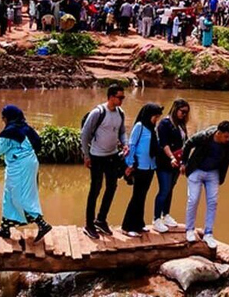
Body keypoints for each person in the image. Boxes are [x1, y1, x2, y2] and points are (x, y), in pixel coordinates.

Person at [0, 106, 52, 243]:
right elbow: (38, 144)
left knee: (21, 197)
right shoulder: (25, 128)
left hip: (21, 166)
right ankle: (5, 228)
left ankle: (42, 224)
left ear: (8, 117)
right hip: (23, 164)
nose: (2, 120)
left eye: (3, 117)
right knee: (9, 196)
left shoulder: (11, 133)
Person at [181, 121, 229, 249]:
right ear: (218, 133)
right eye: (226, 136)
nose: (228, 139)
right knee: (193, 199)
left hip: (213, 173)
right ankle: (189, 229)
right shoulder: (204, 136)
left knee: (213, 202)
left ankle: (208, 233)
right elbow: (188, 144)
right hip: (196, 170)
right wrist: (183, 162)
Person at [81, 84, 128, 239]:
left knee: (112, 187)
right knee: (95, 189)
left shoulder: (120, 113)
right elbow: (85, 134)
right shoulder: (98, 113)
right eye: (120, 97)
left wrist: (125, 143)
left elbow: (122, 132)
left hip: (112, 155)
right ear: (111, 96)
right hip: (97, 156)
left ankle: (101, 219)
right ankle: (89, 224)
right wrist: (86, 155)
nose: (122, 100)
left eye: (123, 97)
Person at [121, 103, 164, 237]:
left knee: (143, 196)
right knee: (137, 196)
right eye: (155, 117)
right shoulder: (139, 127)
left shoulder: (152, 129)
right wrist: (130, 164)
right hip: (140, 166)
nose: (156, 120)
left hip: (150, 166)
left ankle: (139, 224)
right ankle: (127, 226)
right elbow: (132, 145)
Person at [154, 99, 190, 233]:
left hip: (177, 162)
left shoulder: (181, 124)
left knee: (170, 190)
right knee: (164, 190)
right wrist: (171, 157)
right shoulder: (165, 123)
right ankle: (156, 218)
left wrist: (183, 162)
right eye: (183, 112)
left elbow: (185, 143)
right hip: (165, 162)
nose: (185, 115)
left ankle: (166, 215)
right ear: (175, 109)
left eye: (187, 112)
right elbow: (164, 144)